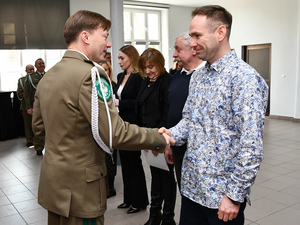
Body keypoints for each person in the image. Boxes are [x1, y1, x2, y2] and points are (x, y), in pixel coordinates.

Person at [32, 10, 171, 225]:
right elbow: (115, 133)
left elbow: (39, 129)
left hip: (54, 185)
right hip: (81, 191)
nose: (108, 44)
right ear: (86, 37)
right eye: (105, 36)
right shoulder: (91, 74)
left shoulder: (49, 76)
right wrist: (159, 137)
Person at [159, 5, 269, 225]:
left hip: (221, 199)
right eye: (191, 36)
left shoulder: (245, 79)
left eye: (197, 35)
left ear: (220, 33)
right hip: (192, 189)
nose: (192, 43)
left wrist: (234, 196)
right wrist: (170, 134)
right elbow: (190, 120)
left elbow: (252, 147)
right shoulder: (199, 77)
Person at [136, 48, 175, 225]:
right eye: (145, 67)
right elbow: (141, 109)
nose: (148, 71)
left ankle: (167, 218)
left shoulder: (167, 82)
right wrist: (144, 137)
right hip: (148, 137)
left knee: (166, 179)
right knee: (155, 177)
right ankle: (154, 215)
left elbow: (167, 113)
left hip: (161, 138)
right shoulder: (146, 81)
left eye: (151, 67)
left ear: (160, 63)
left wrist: (157, 140)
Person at [165, 32, 205, 190]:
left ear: (193, 50)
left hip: (197, 152)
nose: (174, 55)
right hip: (177, 146)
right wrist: (170, 146)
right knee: (185, 192)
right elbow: (170, 111)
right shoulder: (177, 76)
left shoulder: (204, 77)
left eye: (178, 49)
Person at [114, 45, 148, 214]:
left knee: (134, 163)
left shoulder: (138, 77)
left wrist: (120, 103)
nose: (119, 62)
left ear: (132, 58)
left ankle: (139, 201)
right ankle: (128, 199)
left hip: (133, 126)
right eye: (118, 58)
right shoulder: (121, 76)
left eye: (122, 58)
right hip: (121, 125)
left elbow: (138, 102)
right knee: (125, 164)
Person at [99, 60, 117, 198]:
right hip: (99, 125)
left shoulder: (113, 86)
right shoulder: (96, 86)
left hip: (112, 125)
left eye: (107, 69)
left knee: (111, 157)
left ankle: (111, 186)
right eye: (102, 69)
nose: (104, 72)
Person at [23, 58, 46, 155]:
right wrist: (29, 107)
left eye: (43, 63)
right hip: (36, 105)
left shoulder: (49, 75)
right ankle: (39, 147)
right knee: (38, 126)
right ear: (35, 66)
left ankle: (49, 146)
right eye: (39, 64)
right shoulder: (31, 77)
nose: (42, 65)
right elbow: (27, 93)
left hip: (47, 105)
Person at [16, 64, 35, 147]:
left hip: (37, 105)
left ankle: (39, 141)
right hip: (25, 106)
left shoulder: (37, 79)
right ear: (26, 71)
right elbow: (19, 93)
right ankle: (30, 141)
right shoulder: (22, 80)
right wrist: (28, 96)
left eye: (33, 69)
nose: (31, 71)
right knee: (28, 125)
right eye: (30, 69)